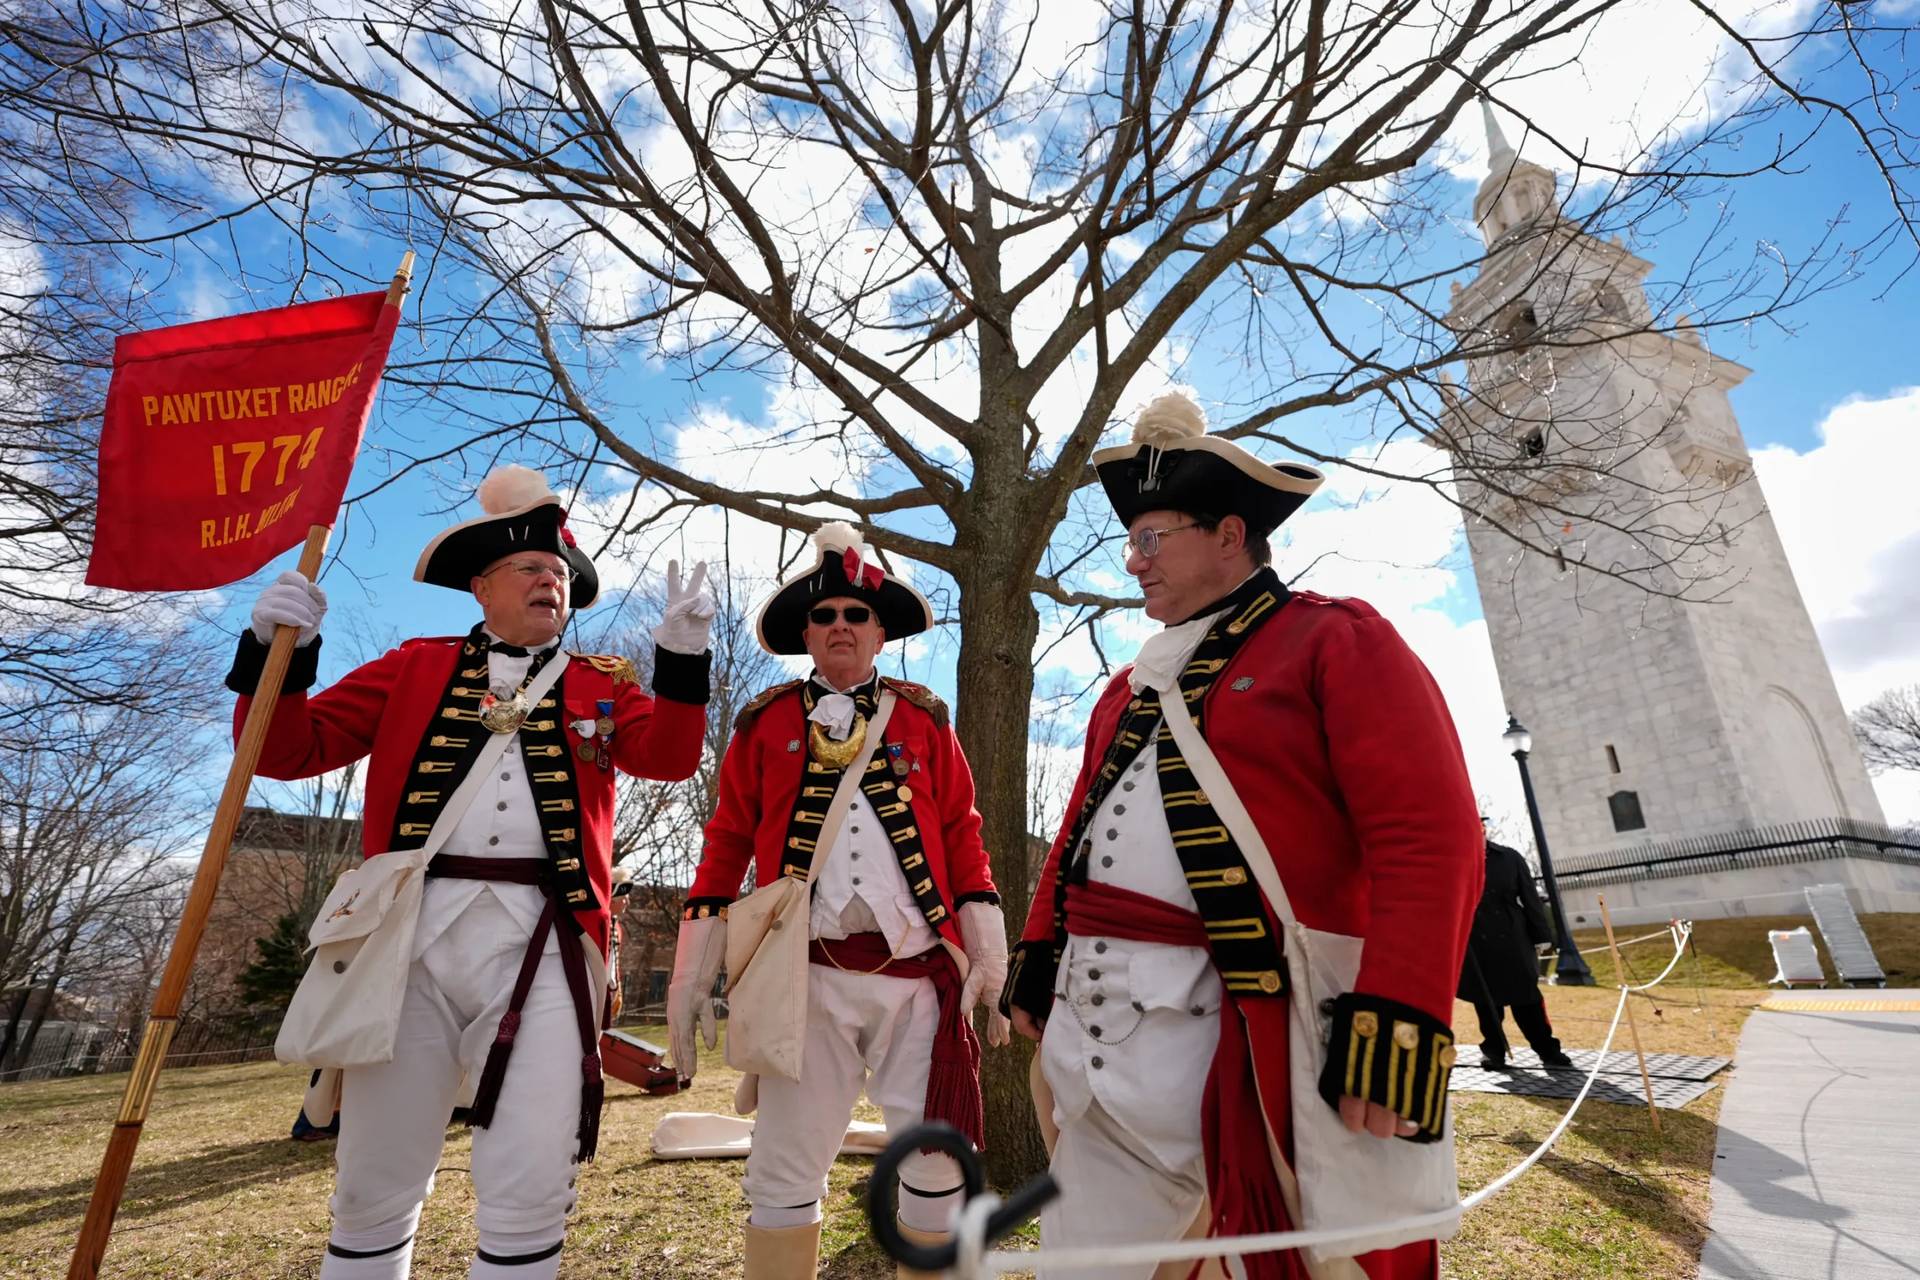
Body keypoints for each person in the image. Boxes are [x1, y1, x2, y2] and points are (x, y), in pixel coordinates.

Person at [1001, 394, 1483, 1280]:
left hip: (1251, 1040)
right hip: (1094, 1038)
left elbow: (1430, 836)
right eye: (1132, 541)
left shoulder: (1335, 640)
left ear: (1230, 534)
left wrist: (1403, 1015)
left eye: (1153, 538)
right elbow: (1078, 833)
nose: (1134, 559)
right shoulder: (1124, 689)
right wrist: (1039, 949)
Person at [231, 465, 714, 1280]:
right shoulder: (414, 666)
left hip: (547, 940)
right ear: (482, 587)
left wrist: (682, 664)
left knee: (532, 1169)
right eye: (530, 569)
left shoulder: (602, 684)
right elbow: (283, 751)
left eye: (559, 574)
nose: (549, 582)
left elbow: (668, 759)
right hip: (406, 941)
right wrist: (277, 655)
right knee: (375, 1175)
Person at [665, 521, 1008, 1280]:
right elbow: (725, 844)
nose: (840, 626)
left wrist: (987, 948)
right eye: (825, 616)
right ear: (806, 634)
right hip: (806, 982)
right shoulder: (764, 722)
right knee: (783, 1171)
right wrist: (691, 976)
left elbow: (961, 832)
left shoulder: (924, 721)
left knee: (937, 1168)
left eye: (857, 614)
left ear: (881, 631)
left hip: (919, 979)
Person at [1458, 826, 1574, 1071]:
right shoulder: (1455, 860)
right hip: (1477, 939)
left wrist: (1541, 935)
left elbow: (1530, 897)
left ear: (1483, 830)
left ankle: (1548, 1050)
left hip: (1513, 937)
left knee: (1527, 998)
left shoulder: (1510, 857)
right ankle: (1494, 1052)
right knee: (1487, 1003)